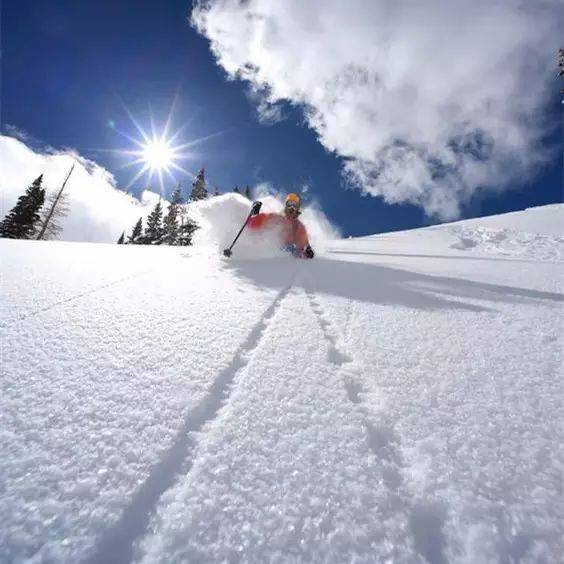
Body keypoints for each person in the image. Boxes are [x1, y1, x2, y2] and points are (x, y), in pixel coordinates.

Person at [248, 193, 315, 258]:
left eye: (294, 206)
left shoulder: (299, 226)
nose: (292, 208)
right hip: (273, 255)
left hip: (292, 260)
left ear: (297, 208)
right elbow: (253, 225)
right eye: (289, 205)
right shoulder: (276, 217)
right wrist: (254, 213)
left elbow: (304, 245)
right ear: (286, 206)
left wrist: (308, 251)